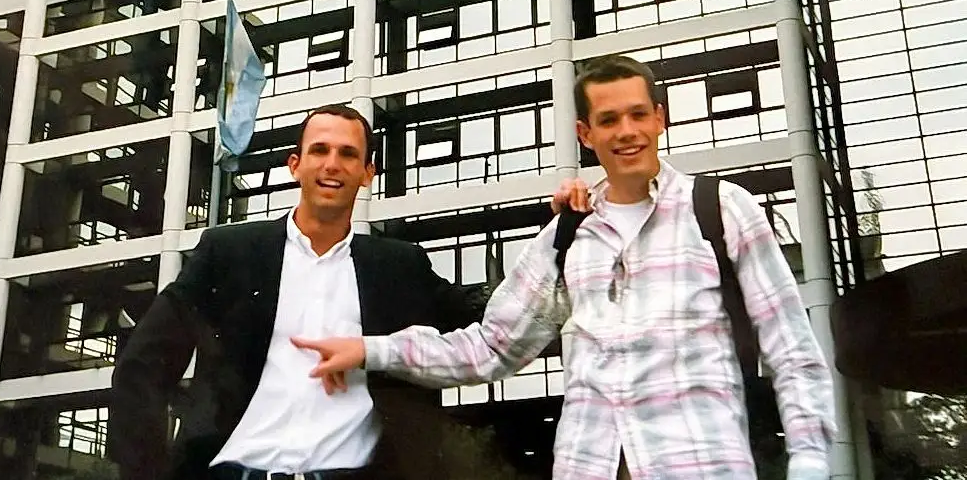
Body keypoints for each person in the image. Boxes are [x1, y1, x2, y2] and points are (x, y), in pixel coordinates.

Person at [295, 54, 837, 480]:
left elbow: (790, 346)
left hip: (699, 462)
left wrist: (811, 459)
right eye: (608, 120)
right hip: (589, 464)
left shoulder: (721, 210)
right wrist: (372, 349)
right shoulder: (568, 232)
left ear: (659, 120)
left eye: (637, 115)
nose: (625, 131)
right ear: (586, 134)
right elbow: (491, 347)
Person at [108, 103, 507, 480]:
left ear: (369, 173)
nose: (333, 164)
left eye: (349, 154)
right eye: (320, 150)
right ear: (294, 166)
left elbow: (495, 320)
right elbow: (141, 367)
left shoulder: (400, 268)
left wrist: (562, 243)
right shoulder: (229, 254)